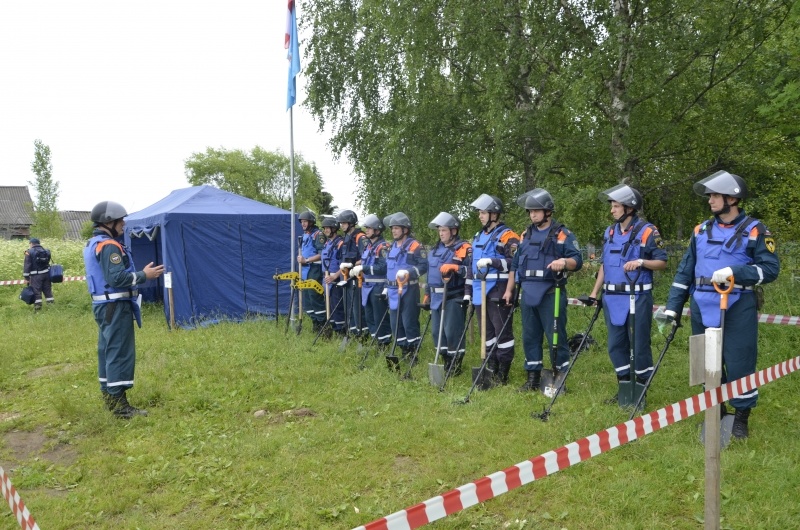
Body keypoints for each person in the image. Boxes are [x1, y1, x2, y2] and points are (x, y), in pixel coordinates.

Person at [664, 170, 779, 439]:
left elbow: (770, 269)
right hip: (701, 304)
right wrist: (673, 305)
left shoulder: (755, 230)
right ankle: (715, 411)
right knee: (705, 363)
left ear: (732, 198)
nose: (710, 200)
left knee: (739, 362)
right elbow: (685, 270)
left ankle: (740, 417)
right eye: (710, 195)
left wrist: (735, 272)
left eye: (715, 195)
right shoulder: (700, 230)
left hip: (738, 304)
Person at [83, 201, 164, 419]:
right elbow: (116, 278)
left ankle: (110, 398)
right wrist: (143, 275)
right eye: (121, 220)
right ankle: (120, 406)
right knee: (119, 352)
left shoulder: (94, 243)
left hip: (104, 306)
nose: (124, 223)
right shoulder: (109, 246)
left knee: (108, 351)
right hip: (115, 306)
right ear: (109, 222)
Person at [589, 184, 667, 403]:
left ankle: (640, 390)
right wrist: (595, 292)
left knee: (639, 344)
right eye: (612, 206)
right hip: (612, 298)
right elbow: (605, 264)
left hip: (637, 298)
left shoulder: (648, 231)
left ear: (630, 208)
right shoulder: (610, 232)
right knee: (616, 344)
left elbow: (662, 262)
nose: (612, 211)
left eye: (616, 206)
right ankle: (624, 388)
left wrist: (641, 262)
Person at [505, 189, 582, 391]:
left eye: (536, 211)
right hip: (528, 293)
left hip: (551, 294)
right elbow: (515, 265)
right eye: (530, 211)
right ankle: (533, 379)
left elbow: (578, 260)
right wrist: (509, 290)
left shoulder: (563, 235)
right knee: (530, 337)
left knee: (556, 337)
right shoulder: (525, 235)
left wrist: (564, 261)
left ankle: (559, 379)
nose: (532, 215)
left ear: (548, 211)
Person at [466, 194, 520, 385]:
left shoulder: (508, 236)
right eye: (479, 213)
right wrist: (468, 291)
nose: (480, 216)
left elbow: (516, 263)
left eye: (483, 213)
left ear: (494, 214)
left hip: (499, 289)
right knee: (486, 334)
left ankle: (503, 374)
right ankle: (491, 367)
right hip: (480, 289)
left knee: (502, 333)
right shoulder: (478, 236)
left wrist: (493, 261)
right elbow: (471, 266)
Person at [425, 212, 472, 376]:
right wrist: (427, 294)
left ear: (453, 231)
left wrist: (456, 269)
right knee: (437, 332)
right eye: (439, 231)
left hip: (453, 295)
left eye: (444, 230)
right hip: (436, 297)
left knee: (452, 332)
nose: (441, 234)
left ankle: (456, 364)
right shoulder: (434, 250)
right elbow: (430, 273)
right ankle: (445, 361)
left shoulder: (463, 248)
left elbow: (471, 271)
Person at [384, 212, 428, 367]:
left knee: (409, 322)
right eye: (392, 229)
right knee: (396, 323)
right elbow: (388, 269)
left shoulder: (415, 246)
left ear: (405, 230)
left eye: (396, 228)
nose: (393, 231)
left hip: (409, 289)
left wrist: (409, 273)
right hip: (392, 290)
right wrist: (386, 287)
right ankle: (403, 350)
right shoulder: (390, 247)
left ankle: (412, 354)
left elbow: (423, 266)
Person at [350, 214, 392, 350]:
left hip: (378, 286)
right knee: (370, 317)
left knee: (380, 317)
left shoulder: (383, 247)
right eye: (366, 228)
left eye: (369, 228)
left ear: (377, 230)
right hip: (367, 287)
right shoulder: (369, 247)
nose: (366, 230)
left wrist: (364, 267)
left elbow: (383, 267)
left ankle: (384, 345)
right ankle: (376, 342)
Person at [337, 210, 369, 339]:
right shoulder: (345, 239)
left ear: (351, 223)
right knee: (348, 307)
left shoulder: (360, 238)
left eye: (344, 223)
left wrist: (354, 265)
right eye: (341, 223)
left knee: (357, 308)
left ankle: (363, 335)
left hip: (357, 277)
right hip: (346, 278)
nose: (342, 226)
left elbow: (366, 257)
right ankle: (353, 333)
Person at [297, 211, 327, 332]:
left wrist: (306, 260)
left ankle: (323, 325)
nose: (303, 224)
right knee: (307, 300)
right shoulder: (305, 235)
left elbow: (321, 254)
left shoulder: (318, 235)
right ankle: (315, 323)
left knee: (315, 298)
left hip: (315, 269)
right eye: (302, 222)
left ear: (311, 222)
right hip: (304, 271)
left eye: (305, 221)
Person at [320, 216, 346, 337]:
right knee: (329, 306)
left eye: (327, 228)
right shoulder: (327, 243)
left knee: (337, 307)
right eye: (324, 228)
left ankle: (341, 332)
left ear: (334, 228)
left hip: (335, 280)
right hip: (326, 279)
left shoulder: (341, 244)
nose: (325, 230)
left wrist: (334, 276)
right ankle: (332, 329)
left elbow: (345, 265)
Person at [23, 237, 54, 311]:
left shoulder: (29, 252)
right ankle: (52, 307)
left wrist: (26, 277)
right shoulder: (46, 251)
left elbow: (27, 265)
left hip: (36, 276)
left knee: (36, 291)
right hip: (47, 274)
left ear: (31, 244)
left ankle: (38, 309)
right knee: (48, 291)